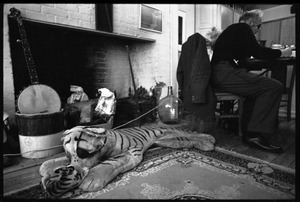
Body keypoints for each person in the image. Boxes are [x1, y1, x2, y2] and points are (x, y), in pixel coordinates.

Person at [210, 9, 292, 154]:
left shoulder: (233, 32)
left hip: (222, 72)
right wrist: (282, 53)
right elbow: (257, 51)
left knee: (258, 89)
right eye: (259, 26)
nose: (258, 30)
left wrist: (266, 62)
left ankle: (249, 129)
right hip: (224, 72)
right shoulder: (242, 28)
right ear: (251, 22)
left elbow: (243, 62)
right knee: (274, 87)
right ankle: (253, 134)